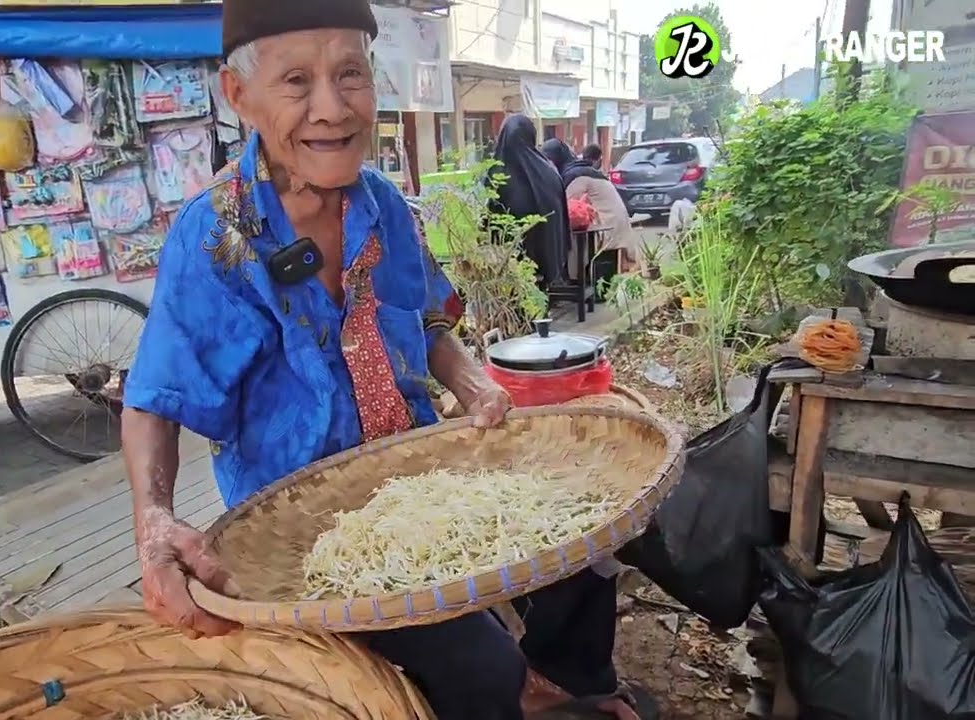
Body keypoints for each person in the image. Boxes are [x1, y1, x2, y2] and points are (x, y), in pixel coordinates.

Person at [120, 1, 655, 718]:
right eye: (296, 81)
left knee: (584, 546)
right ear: (239, 95)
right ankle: (510, 689)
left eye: (351, 74)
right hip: (313, 535)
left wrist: (472, 384)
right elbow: (153, 399)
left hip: (424, 480)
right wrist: (154, 525)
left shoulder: (382, 204)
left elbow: (428, 318)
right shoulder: (216, 235)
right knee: (481, 670)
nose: (332, 108)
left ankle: (564, 690)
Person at [488, 114, 570, 290]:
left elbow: (485, 218)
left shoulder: (495, 173)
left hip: (505, 264)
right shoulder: (548, 170)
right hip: (545, 263)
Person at [542, 138, 640, 268]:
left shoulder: (577, 177)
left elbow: (567, 212)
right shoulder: (580, 171)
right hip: (614, 231)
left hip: (609, 234)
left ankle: (572, 277)